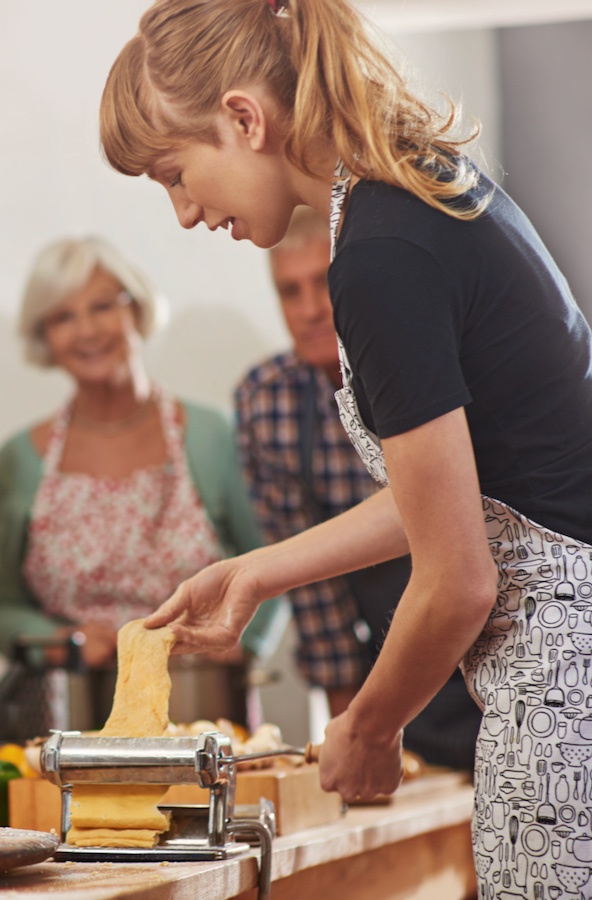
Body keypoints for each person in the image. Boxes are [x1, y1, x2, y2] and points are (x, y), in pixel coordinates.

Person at [99, 0, 592, 894]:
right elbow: (467, 491)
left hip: (567, 682)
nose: (180, 212)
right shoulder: (415, 186)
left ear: (244, 118)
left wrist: (368, 727)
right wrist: (258, 571)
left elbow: (459, 578)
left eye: (174, 173)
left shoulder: (379, 254)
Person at [0, 236, 287, 730]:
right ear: (45, 337)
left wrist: (241, 643)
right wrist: (66, 640)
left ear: (138, 310)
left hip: (201, 709)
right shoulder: (17, 461)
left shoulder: (213, 438)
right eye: (62, 317)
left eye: (103, 306)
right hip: (72, 718)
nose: (86, 330)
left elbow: (276, 562)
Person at [235, 207, 480, 770]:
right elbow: (318, 600)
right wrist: (359, 731)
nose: (310, 310)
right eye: (288, 292)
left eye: (322, 284)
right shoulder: (269, 399)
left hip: (501, 638)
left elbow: (463, 536)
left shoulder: (425, 363)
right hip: (396, 675)